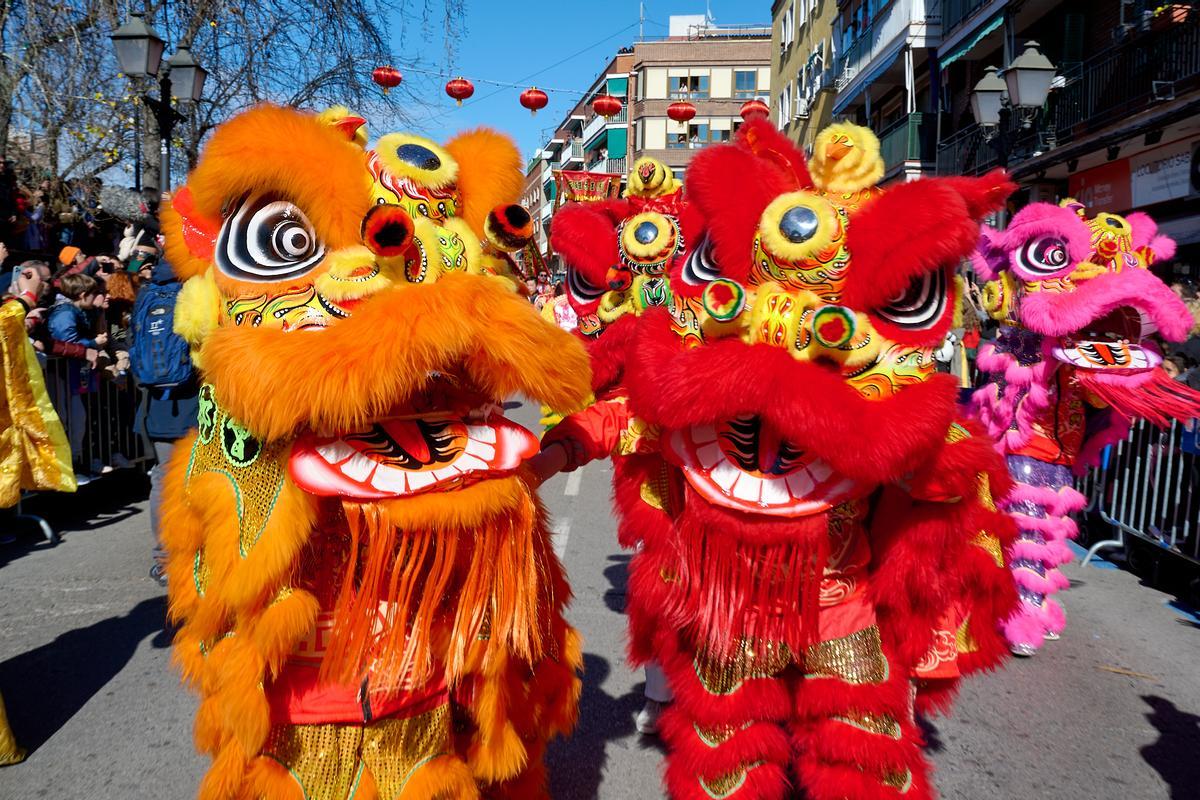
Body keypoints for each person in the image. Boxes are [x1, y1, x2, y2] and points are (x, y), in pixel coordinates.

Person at [130, 255, 198, 586]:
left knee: (162, 479)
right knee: (199, 477)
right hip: (193, 401)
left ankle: (165, 558)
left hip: (155, 405)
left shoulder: (146, 294)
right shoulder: (195, 288)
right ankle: (199, 552)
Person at [46, 272, 107, 473]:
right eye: (93, 293)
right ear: (82, 294)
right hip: (62, 374)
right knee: (67, 417)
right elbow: (66, 343)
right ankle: (67, 464)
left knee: (76, 418)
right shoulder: (65, 313)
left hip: (70, 374)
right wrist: (93, 344)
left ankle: (75, 460)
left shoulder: (78, 312)